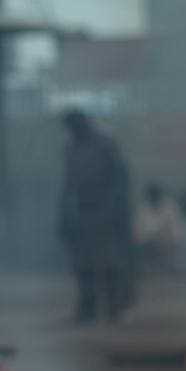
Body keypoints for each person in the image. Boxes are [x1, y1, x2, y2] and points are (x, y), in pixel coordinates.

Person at [58, 109, 132, 322]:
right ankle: (87, 309)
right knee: (83, 263)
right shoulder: (71, 147)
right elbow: (68, 183)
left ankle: (114, 309)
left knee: (109, 262)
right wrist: (65, 212)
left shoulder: (105, 144)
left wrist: (114, 207)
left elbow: (120, 177)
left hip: (106, 211)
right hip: (82, 211)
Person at [133, 181, 182, 270]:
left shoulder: (170, 208)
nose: (154, 198)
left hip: (166, 244)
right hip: (147, 245)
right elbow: (138, 232)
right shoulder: (143, 209)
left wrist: (164, 240)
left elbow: (175, 231)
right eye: (152, 195)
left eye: (156, 195)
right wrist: (148, 240)